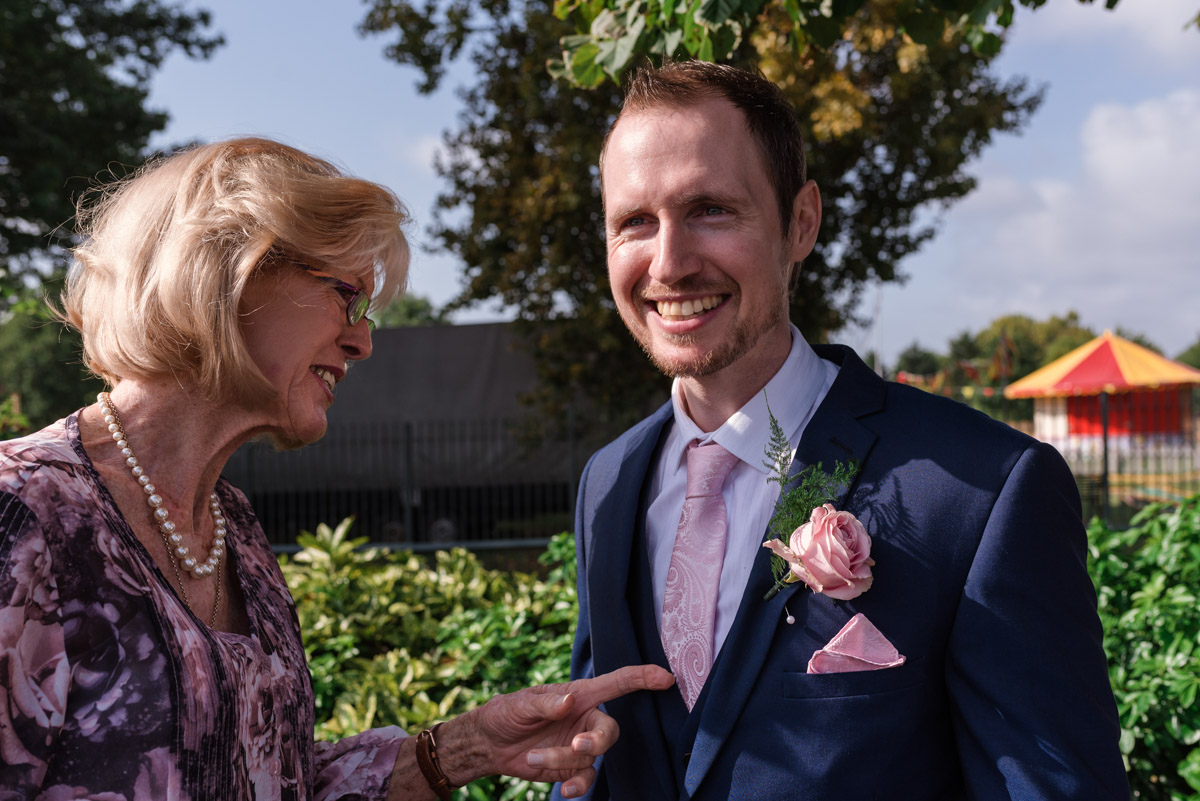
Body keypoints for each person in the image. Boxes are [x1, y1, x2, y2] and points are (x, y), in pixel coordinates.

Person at [0, 137, 673, 800]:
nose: (363, 339)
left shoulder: (234, 527)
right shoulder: (24, 516)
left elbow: (275, 779)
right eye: (347, 297)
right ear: (233, 273)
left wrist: (468, 746)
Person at [553, 61, 1129, 800]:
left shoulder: (982, 489)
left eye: (711, 210)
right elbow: (600, 762)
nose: (669, 262)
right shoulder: (607, 483)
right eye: (635, 221)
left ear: (801, 222)